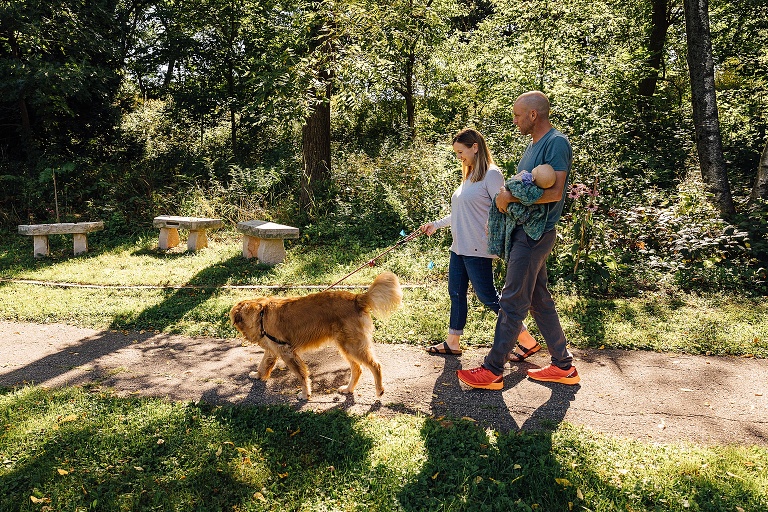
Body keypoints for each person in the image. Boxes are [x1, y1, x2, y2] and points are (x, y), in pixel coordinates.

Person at [457, 91, 580, 388]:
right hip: (524, 231)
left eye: (516, 115)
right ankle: (563, 366)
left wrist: (509, 196)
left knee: (512, 300)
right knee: (539, 300)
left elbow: (555, 193)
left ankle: (493, 369)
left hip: (536, 234)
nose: (514, 120)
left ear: (533, 115)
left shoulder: (556, 143)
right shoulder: (533, 146)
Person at [420, 128, 539, 360]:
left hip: (478, 248)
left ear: (475, 147)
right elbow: (460, 212)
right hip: (459, 247)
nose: (459, 157)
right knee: (456, 293)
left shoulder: (491, 175)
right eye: (456, 153)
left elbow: (504, 207)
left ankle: (527, 340)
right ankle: (452, 342)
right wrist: (435, 224)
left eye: (461, 152)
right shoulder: (470, 174)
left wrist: (499, 230)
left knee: (488, 297)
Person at [487, 163, 556, 260]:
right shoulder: (536, 189)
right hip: (522, 226)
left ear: (533, 178)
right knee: (535, 274)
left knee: (517, 273)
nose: (538, 165)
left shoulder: (527, 181)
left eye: (538, 168)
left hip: (523, 231)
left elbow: (514, 185)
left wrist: (517, 179)